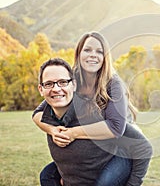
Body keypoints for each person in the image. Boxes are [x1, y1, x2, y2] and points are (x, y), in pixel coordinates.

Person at [33, 32, 152, 185]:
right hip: (95, 145)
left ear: (105, 57)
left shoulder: (113, 83)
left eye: (99, 51)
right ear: (79, 53)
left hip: (120, 140)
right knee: (48, 175)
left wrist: (72, 133)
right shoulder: (71, 79)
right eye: (87, 50)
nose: (93, 55)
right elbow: (38, 113)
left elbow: (117, 128)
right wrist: (52, 130)